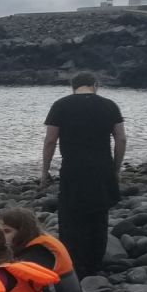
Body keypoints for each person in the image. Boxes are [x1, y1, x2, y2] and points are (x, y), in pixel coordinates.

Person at [41, 72, 126, 279]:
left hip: (73, 169)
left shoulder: (61, 105)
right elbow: (121, 139)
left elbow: (50, 140)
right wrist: (115, 168)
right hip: (102, 169)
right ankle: (94, 264)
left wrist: (45, 171)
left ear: (73, 87)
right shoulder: (110, 105)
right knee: (98, 215)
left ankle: (74, 265)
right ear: (95, 85)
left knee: (71, 217)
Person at [0, 207, 83, 292]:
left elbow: (12, 284)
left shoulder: (38, 252)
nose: (2, 237)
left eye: (7, 231)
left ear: (22, 232)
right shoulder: (40, 241)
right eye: (0, 232)